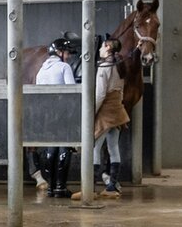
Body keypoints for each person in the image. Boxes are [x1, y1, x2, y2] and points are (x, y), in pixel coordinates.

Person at [30, 34, 78, 197]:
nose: (69, 56)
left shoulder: (41, 70)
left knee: (50, 148)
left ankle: (50, 186)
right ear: (59, 52)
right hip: (62, 113)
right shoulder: (64, 68)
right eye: (67, 52)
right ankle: (60, 187)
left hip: (46, 115)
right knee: (65, 148)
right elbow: (71, 92)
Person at [84, 35, 130, 198]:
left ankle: (90, 188)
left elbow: (100, 94)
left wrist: (90, 114)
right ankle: (112, 187)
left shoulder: (105, 66)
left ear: (108, 48)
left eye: (102, 46)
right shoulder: (120, 65)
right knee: (113, 148)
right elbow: (121, 91)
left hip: (105, 111)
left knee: (95, 146)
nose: (100, 49)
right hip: (117, 109)